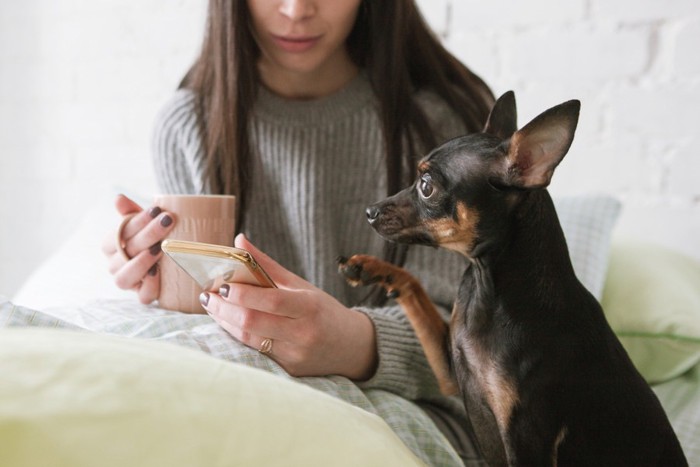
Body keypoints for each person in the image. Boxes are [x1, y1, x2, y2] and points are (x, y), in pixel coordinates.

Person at [103, 0, 494, 463]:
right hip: (239, 401)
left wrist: (352, 343)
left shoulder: (440, 123)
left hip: (415, 413)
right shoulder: (188, 125)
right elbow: (202, 322)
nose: (296, 10)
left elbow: (481, 346)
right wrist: (157, 275)